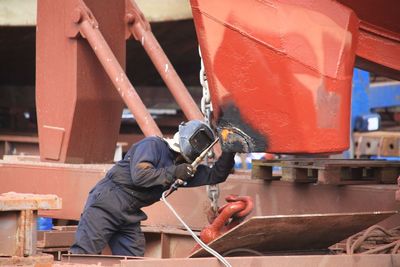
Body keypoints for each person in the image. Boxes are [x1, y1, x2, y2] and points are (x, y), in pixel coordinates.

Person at [70, 120, 235, 256]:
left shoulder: (184, 168)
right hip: (107, 203)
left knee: (132, 259)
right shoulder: (153, 145)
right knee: (84, 256)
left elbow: (216, 175)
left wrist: (229, 149)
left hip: (129, 214)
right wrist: (174, 172)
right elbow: (140, 176)